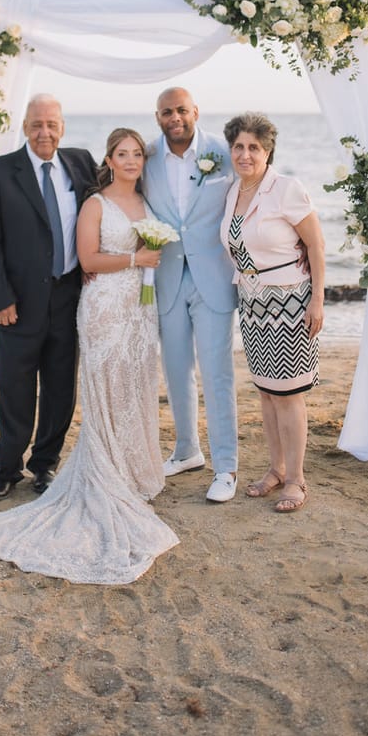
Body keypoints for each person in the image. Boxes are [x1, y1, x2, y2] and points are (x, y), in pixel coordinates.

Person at [0, 129, 179, 584]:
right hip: (82, 304)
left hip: (120, 308)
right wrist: (134, 262)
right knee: (42, 385)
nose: (130, 160)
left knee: (106, 388)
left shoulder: (116, 184)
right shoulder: (79, 198)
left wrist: (144, 267)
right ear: (108, 159)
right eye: (122, 154)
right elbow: (72, 256)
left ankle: (90, 466)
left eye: (137, 153)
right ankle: (13, 468)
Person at [0, 94, 97, 502]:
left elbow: (118, 194)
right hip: (18, 303)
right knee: (15, 387)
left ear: (62, 126)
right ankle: (6, 468)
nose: (44, 132)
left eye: (52, 124)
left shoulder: (81, 163)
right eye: (36, 124)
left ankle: (44, 464)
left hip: (69, 297)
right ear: (24, 126)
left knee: (61, 388)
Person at [220, 112, 325, 514]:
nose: (245, 155)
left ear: (268, 151)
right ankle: (276, 469)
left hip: (289, 302)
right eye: (239, 147)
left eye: (254, 148)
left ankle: (297, 479)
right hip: (252, 303)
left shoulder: (286, 189)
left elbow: (315, 246)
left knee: (289, 394)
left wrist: (317, 300)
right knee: (266, 393)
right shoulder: (233, 192)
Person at [141, 87, 239, 503]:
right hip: (167, 277)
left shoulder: (224, 151)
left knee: (217, 373)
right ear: (158, 116)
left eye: (182, 110)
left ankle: (226, 467)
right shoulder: (145, 157)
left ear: (196, 111)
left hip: (213, 276)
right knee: (176, 370)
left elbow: (249, 196)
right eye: (167, 112)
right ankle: (186, 450)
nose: (175, 117)